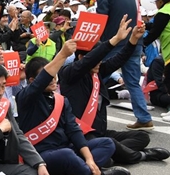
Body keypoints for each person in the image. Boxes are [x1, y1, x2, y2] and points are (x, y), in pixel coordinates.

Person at [17, 41, 130, 175]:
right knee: (66, 155)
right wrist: (62, 55)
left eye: (54, 75)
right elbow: (41, 81)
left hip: (66, 147)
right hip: (41, 154)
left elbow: (73, 130)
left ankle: (71, 173)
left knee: (107, 143)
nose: (53, 79)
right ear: (32, 81)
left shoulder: (61, 100)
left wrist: (89, 159)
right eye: (48, 76)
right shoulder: (25, 98)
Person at [59, 19, 169, 165]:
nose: (99, 63)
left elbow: (119, 59)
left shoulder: (97, 72)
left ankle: (110, 154)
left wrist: (133, 39)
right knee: (109, 143)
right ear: (81, 58)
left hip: (100, 132)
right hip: (82, 135)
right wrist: (115, 39)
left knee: (141, 137)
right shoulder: (69, 74)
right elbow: (90, 60)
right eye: (96, 60)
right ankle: (139, 155)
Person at [97, 0, 153, 129]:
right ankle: (144, 117)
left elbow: (101, 18)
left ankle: (88, 115)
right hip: (133, 42)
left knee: (96, 78)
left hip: (113, 42)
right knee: (133, 82)